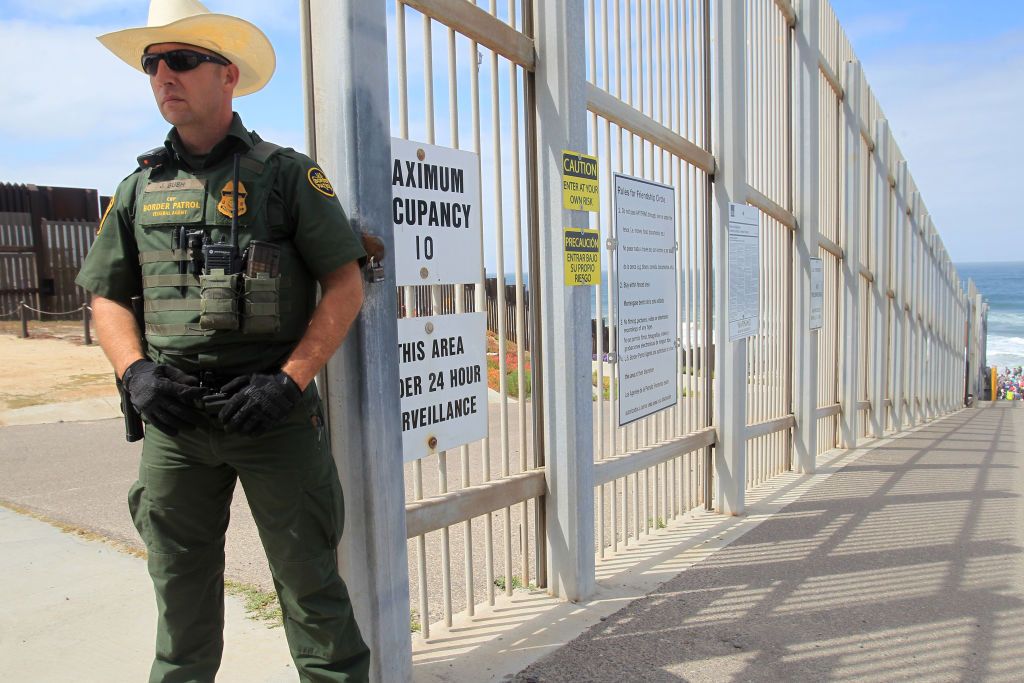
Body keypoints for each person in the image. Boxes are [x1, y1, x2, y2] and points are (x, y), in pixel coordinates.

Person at [75, 0, 370, 680]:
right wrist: (136, 374)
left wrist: (288, 379)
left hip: (272, 416)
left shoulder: (287, 175)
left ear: (227, 75)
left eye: (181, 60)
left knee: (313, 596)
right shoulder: (140, 187)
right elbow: (106, 294)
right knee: (180, 608)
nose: (163, 76)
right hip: (175, 423)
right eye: (153, 65)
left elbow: (345, 284)